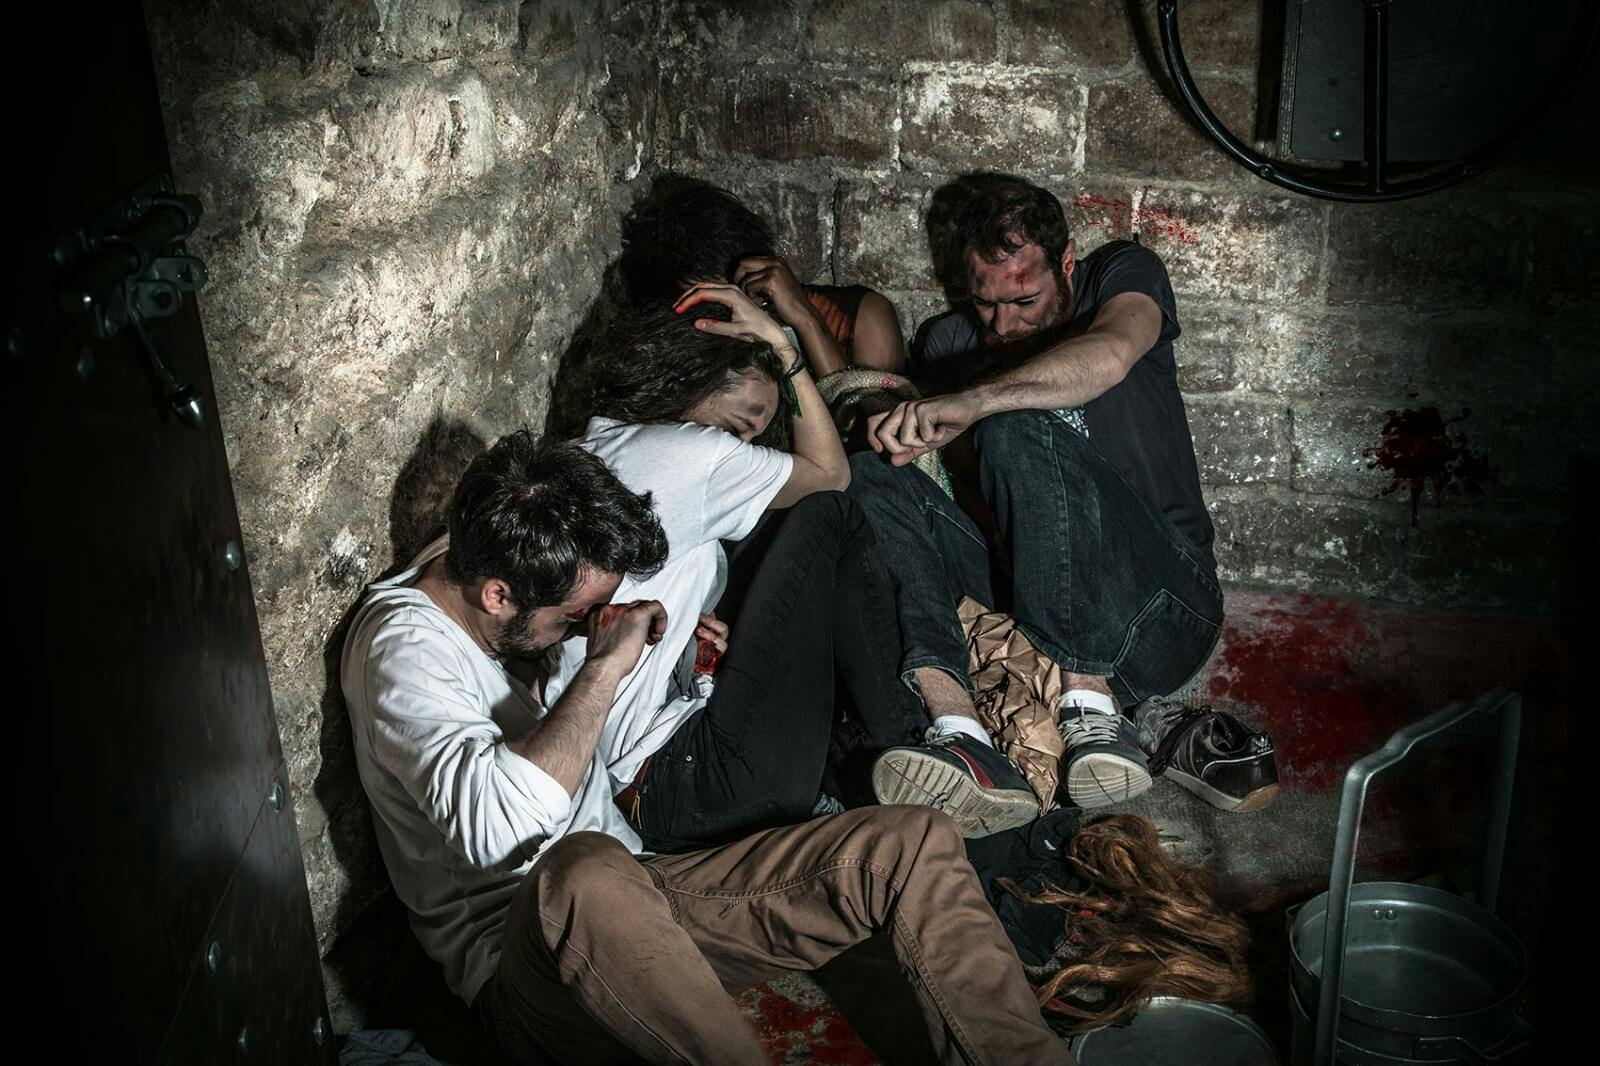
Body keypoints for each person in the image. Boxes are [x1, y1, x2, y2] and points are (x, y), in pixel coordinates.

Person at [339, 429, 1075, 1064]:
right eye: (572, 617)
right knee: (584, 874)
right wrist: (603, 666)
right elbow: (504, 831)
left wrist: (673, 664)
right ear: (497, 595)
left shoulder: (491, 554)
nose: (587, 626)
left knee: (912, 842)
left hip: (649, 892)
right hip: (533, 969)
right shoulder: (403, 652)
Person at [547, 291, 1041, 844]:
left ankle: (886, 768)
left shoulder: (598, 446)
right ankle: (939, 741)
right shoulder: (686, 455)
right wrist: (787, 352)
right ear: (686, 380)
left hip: (662, 790)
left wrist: (696, 655)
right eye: (736, 427)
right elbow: (831, 476)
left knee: (794, 555)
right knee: (831, 516)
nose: (741, 446)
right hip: (691, 779)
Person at [855, 172, 1274, 814]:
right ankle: (959, 732)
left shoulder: (1121, 276)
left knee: (1015, 419)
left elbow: (1111, 351)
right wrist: (906, 433)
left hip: (1160, 609)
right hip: (1035, 614)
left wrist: (980, 402)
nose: (1004, 323)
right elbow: (966, 500)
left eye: (1025, 298)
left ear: (1067, 264)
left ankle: (1092, 711)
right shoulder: (949, 343)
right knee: (874, 472)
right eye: (986, 303)